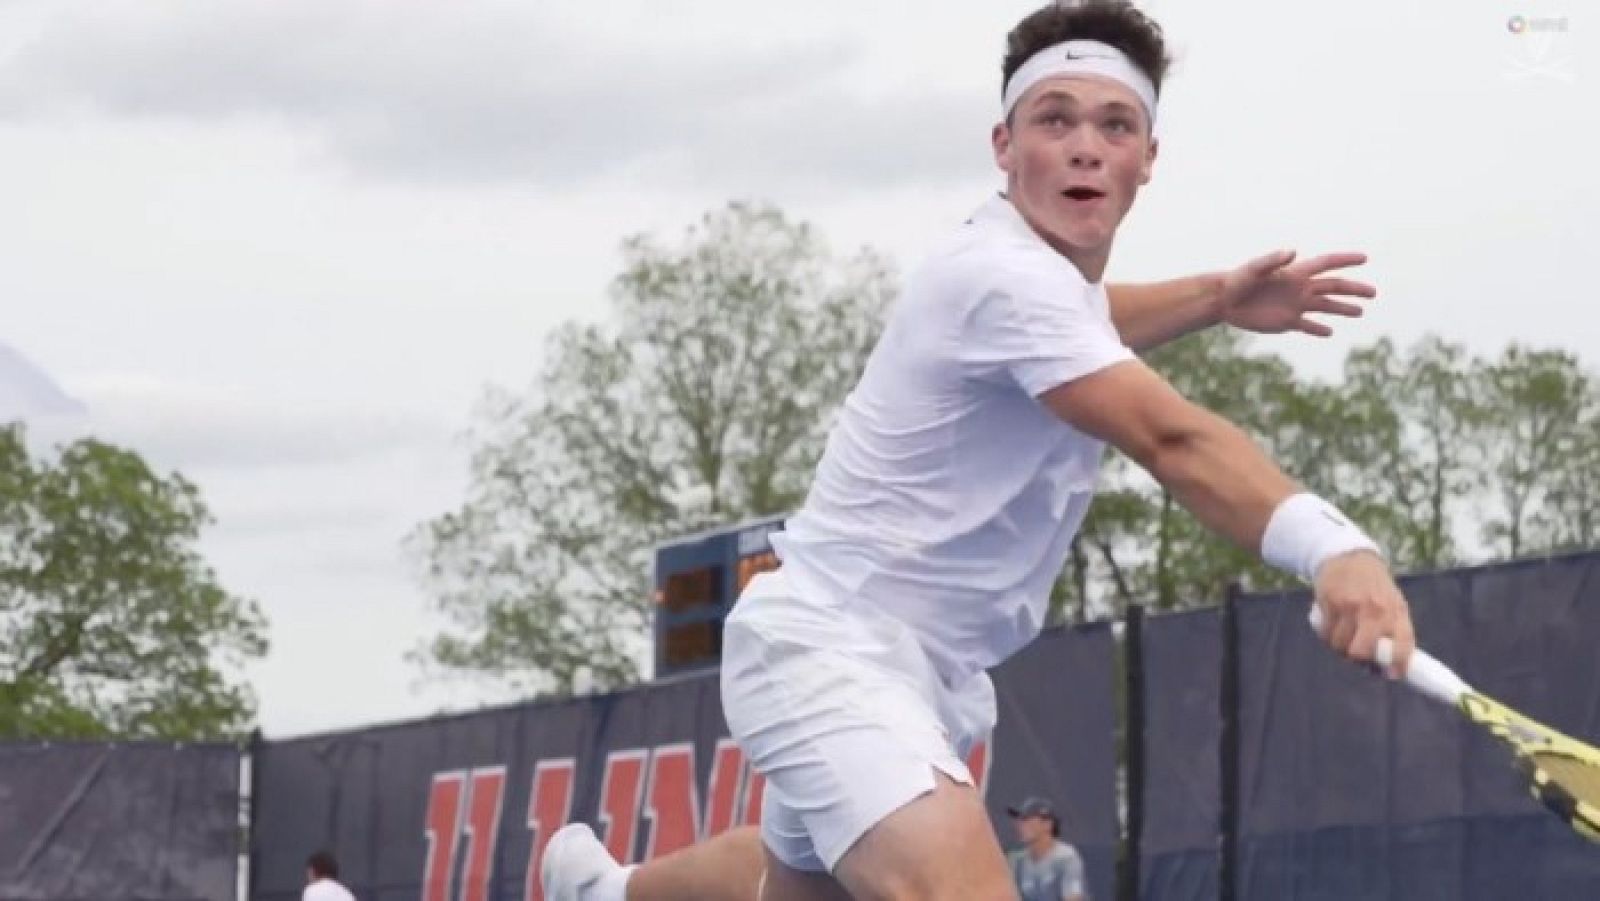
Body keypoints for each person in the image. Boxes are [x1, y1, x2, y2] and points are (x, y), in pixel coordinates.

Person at [541, 1, 1415, 899]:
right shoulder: (1001, 280)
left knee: (788, 885)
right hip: (830, 649)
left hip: (924, 675)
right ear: (1005, 145)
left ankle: (606, 894)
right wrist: (1333, 546)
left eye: (1116, 124)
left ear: (1147, 158)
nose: (1085, 146)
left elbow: (1092, 312)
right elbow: (1170, 436)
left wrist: (1216, 297)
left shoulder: (1041, 289)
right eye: (1055, 119)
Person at [1006, 798, 1086, 901]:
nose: (1020, 824)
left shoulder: (1066, 858)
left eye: (1026, 819)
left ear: (1047, 825)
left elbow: (1074, 898)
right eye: (1019, 820)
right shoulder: (1017, 861)